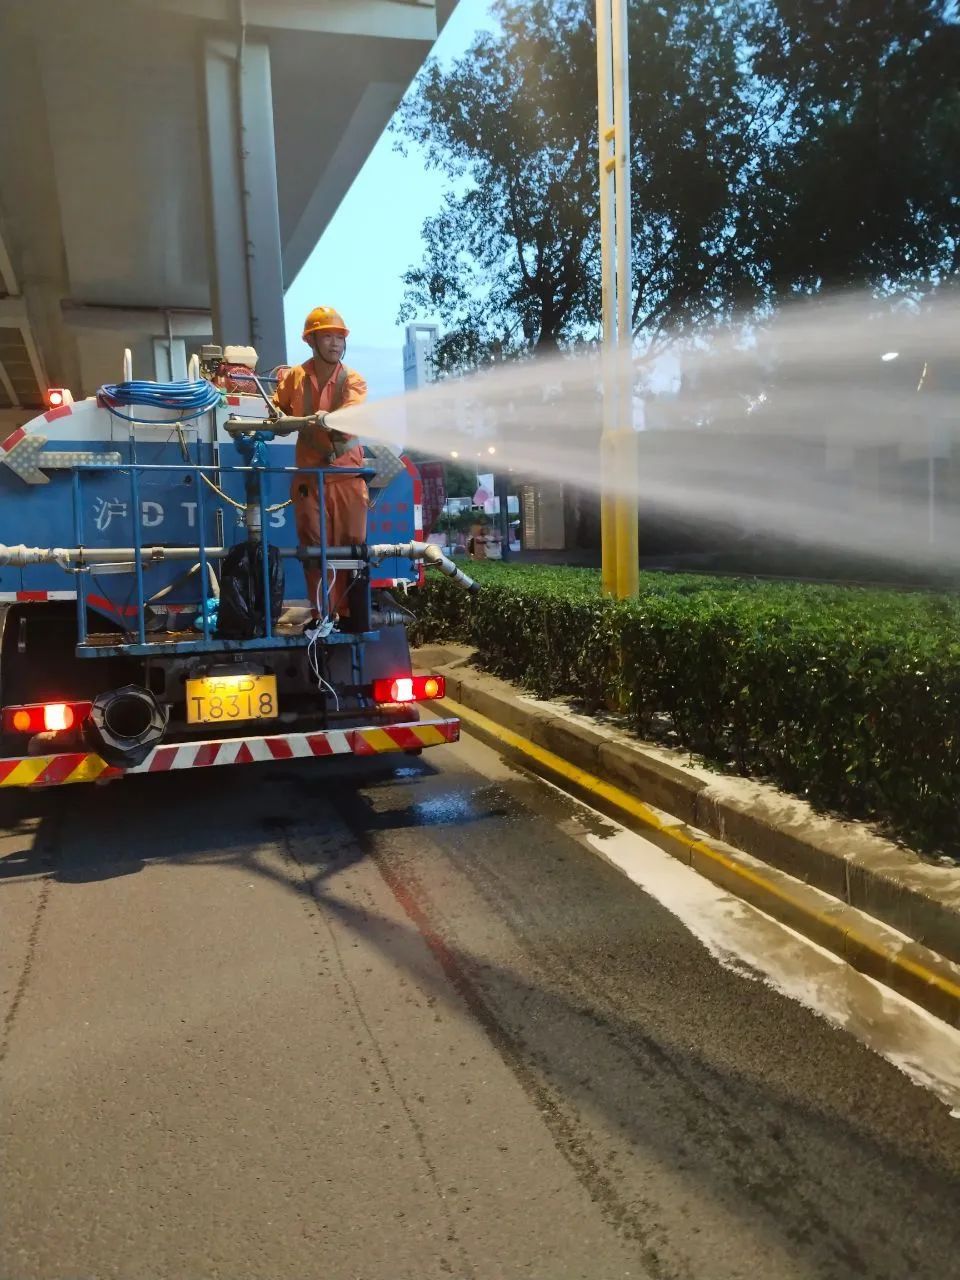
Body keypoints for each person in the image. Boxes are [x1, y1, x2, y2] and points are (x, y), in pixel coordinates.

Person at [275, 307, 368, 625]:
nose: (335, 343)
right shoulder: (294, 378)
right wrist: (278, 419)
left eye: (339, 337)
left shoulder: (352, 380)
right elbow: (278, 408)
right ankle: (323, 616)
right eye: (327, 336)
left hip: (346, 478)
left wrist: (331, 418)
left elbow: (353, 411)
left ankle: (351, 615)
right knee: (314, 551)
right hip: (309, 481)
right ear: (311, 340)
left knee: (351, 549)